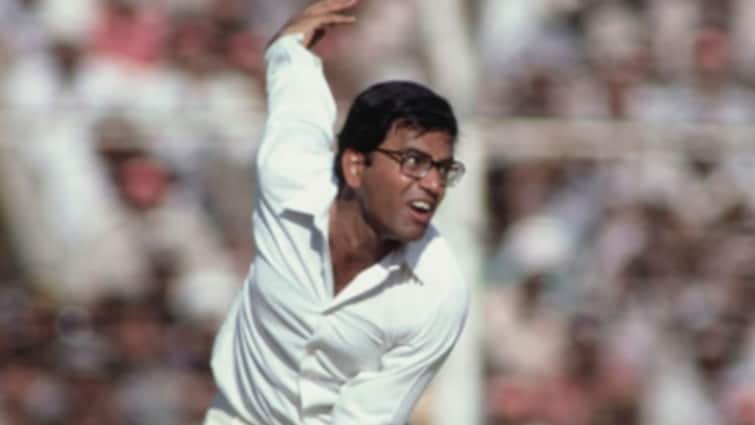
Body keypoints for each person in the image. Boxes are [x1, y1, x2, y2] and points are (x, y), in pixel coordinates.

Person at [202, 1, 470, 424]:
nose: (434, 185)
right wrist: (289, 45)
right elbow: (298, 108)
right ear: (355, 166)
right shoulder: (291, 181)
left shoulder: (437, 293)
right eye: (414, 163)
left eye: (443, 169)